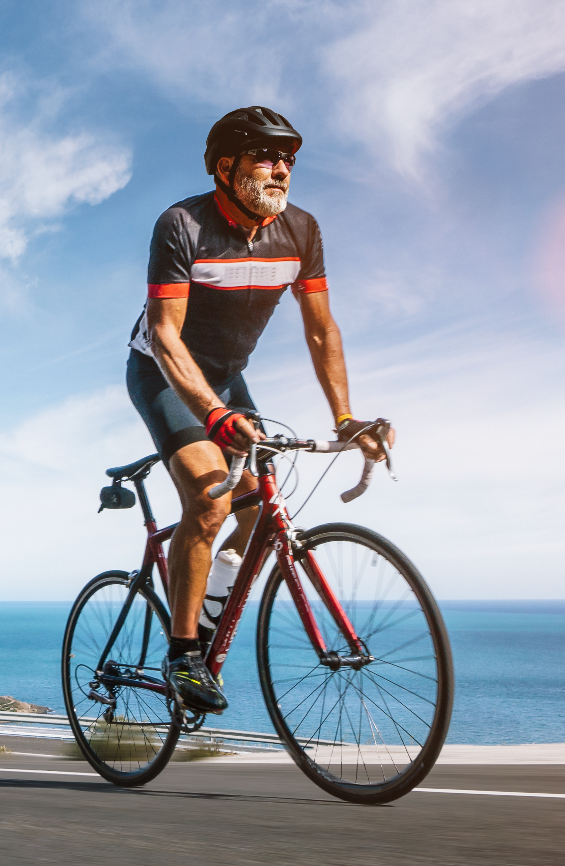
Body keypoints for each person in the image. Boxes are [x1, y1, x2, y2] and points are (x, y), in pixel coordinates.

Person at [126, 106, 395, 714]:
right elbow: (166, 338)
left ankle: (210, 593)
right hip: (163, 371)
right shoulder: (182, 225)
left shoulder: (301, 230)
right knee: (210, 495)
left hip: (227, 375)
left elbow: (322, 331)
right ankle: (183, 654)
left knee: (256, 516)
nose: (281, 170)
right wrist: (214, 417)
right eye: (266, 158)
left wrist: (345, 419)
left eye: (289, 161)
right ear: (226, 167)